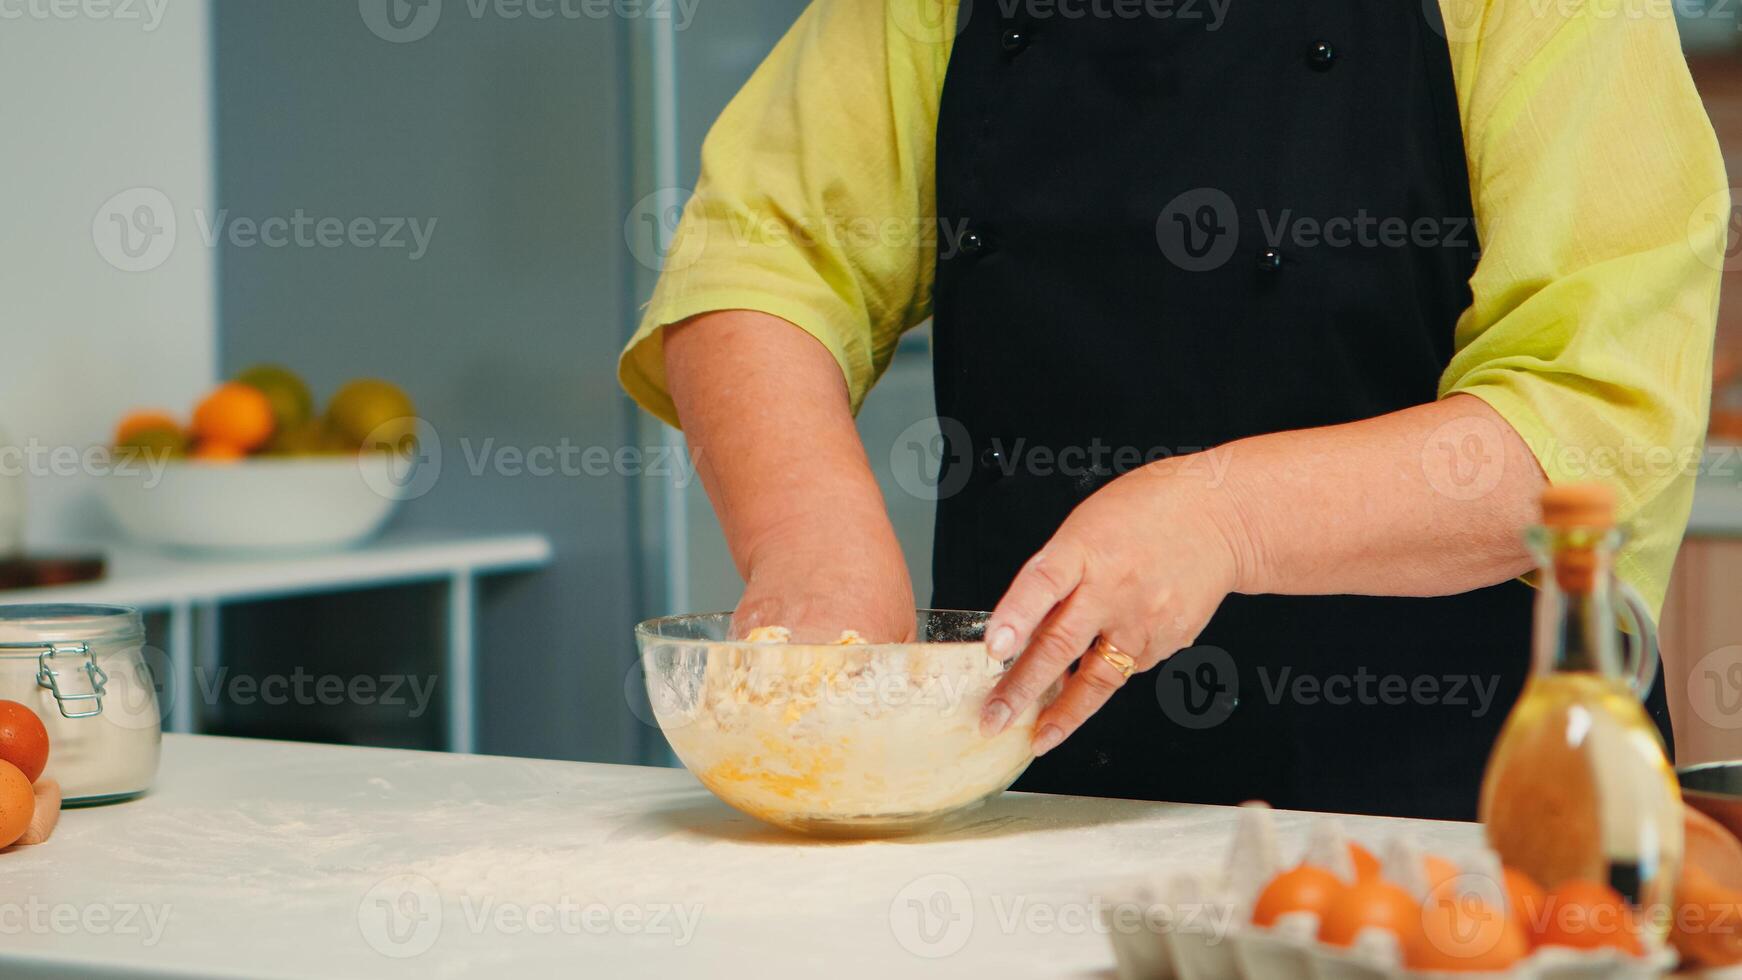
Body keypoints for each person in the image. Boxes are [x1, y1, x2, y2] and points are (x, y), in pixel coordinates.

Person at [619, 0, 1727, 819]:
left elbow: (1586, 423)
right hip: (1028, 814)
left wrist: (1220, 517)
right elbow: (758, 262)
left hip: (1455, 826)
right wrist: (815, 548)